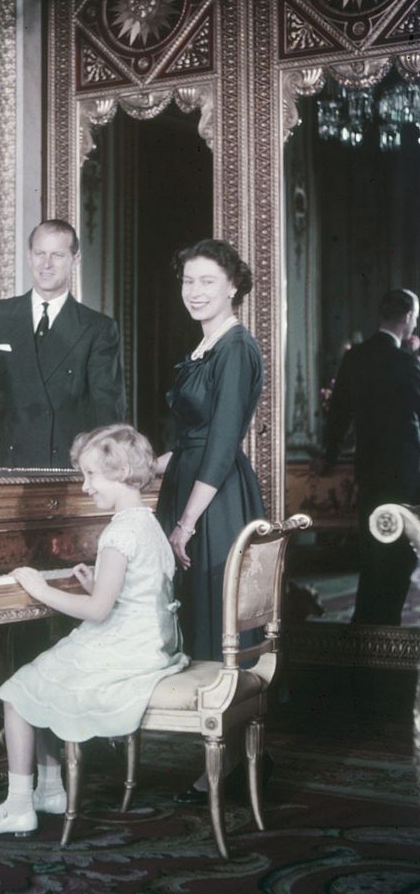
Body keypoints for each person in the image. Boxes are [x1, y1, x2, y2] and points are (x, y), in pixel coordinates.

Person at [0, 424, 188, 837]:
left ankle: (17, 806)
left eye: (91, 475)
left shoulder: (119, 532)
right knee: (42, 678)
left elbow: (99, 611)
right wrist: (94, 583)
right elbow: (137, 590)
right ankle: (49, 791)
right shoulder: (148, 523)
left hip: (126, 650)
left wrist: (40, 588)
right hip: (152, 642)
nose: (85, 487)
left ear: (120, 473)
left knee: (16, 693)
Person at [0, 219, 126, 469]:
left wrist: (106, 470)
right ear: (29, 256)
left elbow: (108, 411)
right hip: (10, 463)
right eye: (40, 253)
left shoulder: (98, 328)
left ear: (75, 258)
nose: (46, 264)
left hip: (69, 468)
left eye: (57, 255)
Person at [155, 239, 266, 662]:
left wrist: (185, 525)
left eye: (207, 281)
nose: (194, 291)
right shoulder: (209, 345)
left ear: (232, 286)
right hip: (193, 481)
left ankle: (219, 718)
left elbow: (220, 445)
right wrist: (155, 464)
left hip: (214, 499)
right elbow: (196, 434)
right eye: (188, 281)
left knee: (213, 610)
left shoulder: (235, 347)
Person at [322, 288, 420, 625]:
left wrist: (329, 456)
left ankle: (366, 629)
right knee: (399, 557)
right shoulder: (406, 362)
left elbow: (337, 415)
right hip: (405, 476)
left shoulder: (356, 357)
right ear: (408, 317)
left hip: (369, 473)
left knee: (374, 553)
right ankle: (385, 630)